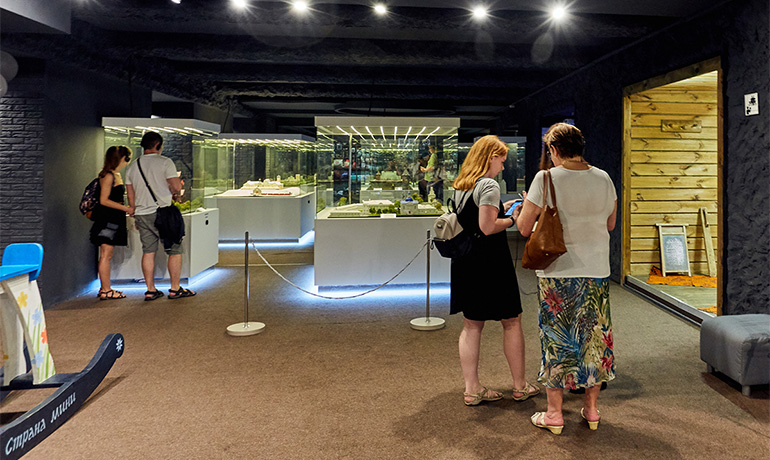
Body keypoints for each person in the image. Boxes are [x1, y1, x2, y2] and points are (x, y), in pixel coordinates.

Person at [512, 123, 617, 434]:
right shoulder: (604, 178)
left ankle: (554, 414)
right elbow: (610, 224)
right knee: (594, 340)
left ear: (554, 150)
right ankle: (592, 410)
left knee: (557, 339)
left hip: (558, 272)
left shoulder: (545, 178)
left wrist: (520, 211)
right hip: (596, 271)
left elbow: (524, 227)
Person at [450, 135, 540, 406]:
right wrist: (512, 218)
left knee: (471, 324)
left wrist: (501, 208)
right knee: (511, 320)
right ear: (490, 158)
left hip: (466, 261)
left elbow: (475, 217)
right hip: (491, 262)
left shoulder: (462, 184)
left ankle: (472, 389)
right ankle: (520, 386)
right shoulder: (489, 184)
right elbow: (488, 227)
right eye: (501, 160)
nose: (503, 166)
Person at [125, 131, 196, 301]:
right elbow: (176, 187)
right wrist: (175, 189)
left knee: (148, 251)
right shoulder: (165, 162)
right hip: (163, 212)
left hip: (142, 213)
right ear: (158, 145)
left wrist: (135, 211)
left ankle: (150, 289)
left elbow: (130, 194)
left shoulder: (133, 166)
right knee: (174, 249)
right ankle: (175, 288)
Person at [90, 146, 135, 300]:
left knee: (106, 254)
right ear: (121, 158)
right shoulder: (109, 176)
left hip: (112, 219)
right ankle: (106, 289)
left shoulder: (113, 175)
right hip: (108, 220)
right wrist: (126, 208)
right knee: (105, 254)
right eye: (127, 157)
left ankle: (105, 288)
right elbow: (104, 200)